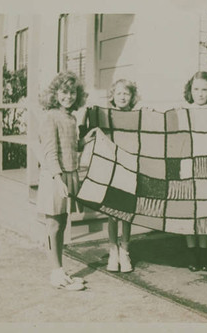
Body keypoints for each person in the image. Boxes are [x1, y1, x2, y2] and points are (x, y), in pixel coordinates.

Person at [79, 79, 140, 273]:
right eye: (119, 93)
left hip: (129, 166)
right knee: (112, 213)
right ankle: (113, 250)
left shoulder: (135, 116)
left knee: (127, 212)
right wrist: (87, 114)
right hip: (111, 167)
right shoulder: (105, 115)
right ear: (112, 95)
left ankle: (125, 250)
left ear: (132, 97)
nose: (122, 97)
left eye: (126, 94)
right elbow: (87, 130)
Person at [37, 71, 90, 290]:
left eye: (72, 92)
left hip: (69, 174)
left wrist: (86, 139)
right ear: (55, 93)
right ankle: (55, 274)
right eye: (64, 92)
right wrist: (58, 179)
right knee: (53, 225)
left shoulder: (71, 117)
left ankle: (60, 270)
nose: (68, 96)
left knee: (62, 223)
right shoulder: (51, 116)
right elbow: (50, 152)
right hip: (54, 176)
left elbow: (72, 147)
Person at [183, 71, 207, 272]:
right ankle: (191, 251)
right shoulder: (183, 110)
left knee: (206, 210)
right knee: (190, 209)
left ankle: (204, 251)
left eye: (204, 89)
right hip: (188, 163)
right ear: (190, 90)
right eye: (196, 89)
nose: (200, 94)